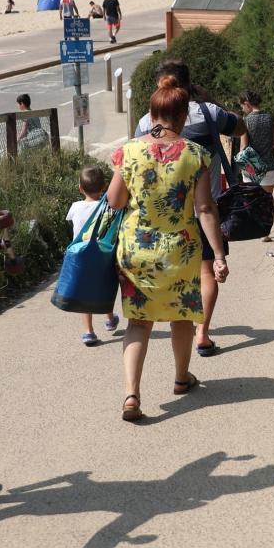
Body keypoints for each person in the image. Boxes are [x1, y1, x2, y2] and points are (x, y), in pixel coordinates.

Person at [106, 75, 229, 421]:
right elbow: (205, 209)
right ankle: (181, 378)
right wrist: (218, 256)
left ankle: (132, 394)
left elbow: (115, 202)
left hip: (136, 251)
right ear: (182, 116)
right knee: (181, 316)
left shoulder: (128, 152)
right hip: (181, 250)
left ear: (152, 112)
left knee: (139, 322)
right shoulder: (196, 155)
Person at [133, 60, 245, 356]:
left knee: (171, 279)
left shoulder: (147, 122)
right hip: (205, 211)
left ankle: (168, 328)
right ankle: (202, 335)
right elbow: (241, 127)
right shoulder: (210, 112)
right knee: (207, 273)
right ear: (191, 84)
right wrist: (210, 101)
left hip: (163, 216)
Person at [66, 166, 121, 347]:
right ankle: (110, 318)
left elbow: (71, 224)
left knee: (84, 294)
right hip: (102, 255)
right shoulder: (106, 207)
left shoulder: (75, 207)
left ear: (80, 187)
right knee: (105, 286)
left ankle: (88, 332)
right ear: (105, 186)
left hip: (81, 256)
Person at [238, 88, 274, 196]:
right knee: (267, 202)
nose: (242, 109)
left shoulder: (245, 121)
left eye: (242, 106)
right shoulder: (270, 118)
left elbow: (243, 147)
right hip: (269, 167)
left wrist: (240, 165)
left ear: (247, 104)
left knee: (253, 204)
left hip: (251, 169)